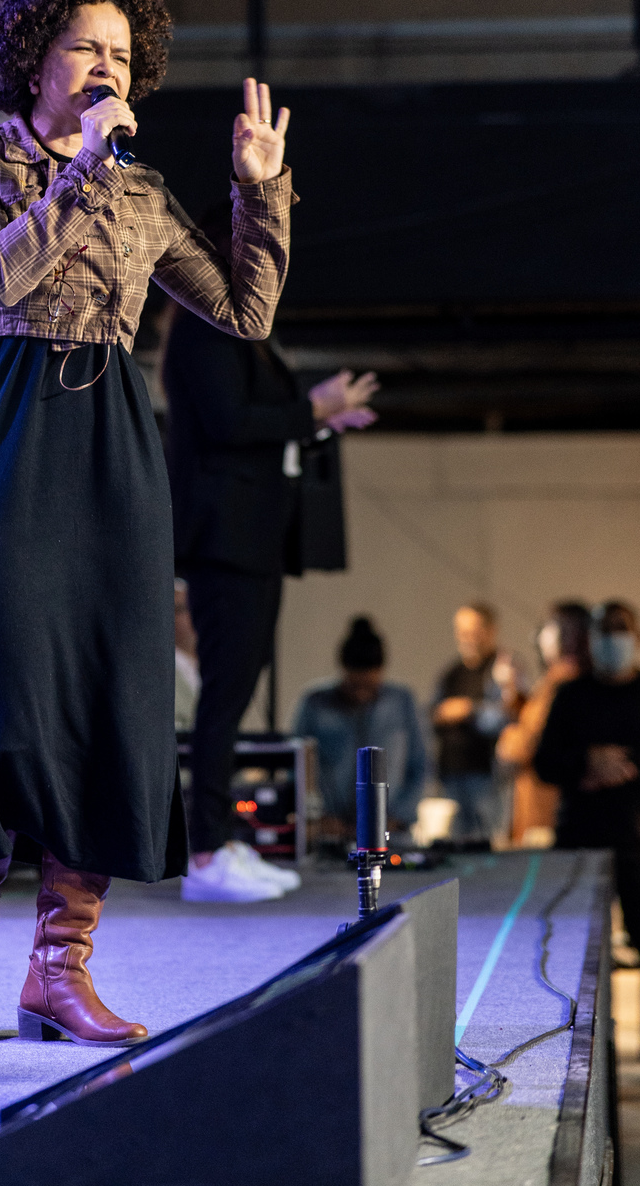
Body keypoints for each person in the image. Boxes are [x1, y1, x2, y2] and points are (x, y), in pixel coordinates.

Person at [0, 0, 296, 1044]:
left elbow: (246, 312)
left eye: (123, 55)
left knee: (107, 693)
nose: (106, 68)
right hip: (5, 426)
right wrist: (85, 167)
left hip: (113, 438)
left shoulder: (142, 191)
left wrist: (258, 189)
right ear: (34, 56)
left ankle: (60, 967)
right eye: (86, 46)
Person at [163, 249, 377, 903]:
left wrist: (317, 419)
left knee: (233, 691)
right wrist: (312, 410)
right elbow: (229, 422)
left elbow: (255, 423)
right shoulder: (204, 327)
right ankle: (206, 851)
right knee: (224, 697)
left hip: (251, 538)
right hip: (225, 538)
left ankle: (219, 842)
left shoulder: (238, 328)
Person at [535, 600, 640, 1100]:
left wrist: (630, 764)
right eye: (603, 631)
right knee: (569, 957)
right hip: (578, 844)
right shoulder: (571, 695)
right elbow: (544, 763)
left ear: (637, 636)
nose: (612, 640)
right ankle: (563, 1062)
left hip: (636, 841)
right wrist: (588, 761)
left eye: (620, 630)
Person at [292, 616, 427, 843]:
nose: (361, 694)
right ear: (343, 671)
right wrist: (317, 816)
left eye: (369, 686)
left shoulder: (401, 702)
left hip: (391, 836)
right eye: (354, 686)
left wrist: (398, 816)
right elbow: (296, 766)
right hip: (331, 836)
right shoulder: (315, 704)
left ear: (381, 672)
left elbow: (421, 765)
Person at [495, 602, 590, 846]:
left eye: (548, 628)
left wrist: (507, 739)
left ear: (568, 634)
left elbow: (528, 743)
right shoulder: (563, 680)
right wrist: (516, 695)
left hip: (545, 812)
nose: (539, 637)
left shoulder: (562, 682)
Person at [431, 602, 522, 843]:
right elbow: (432, 714)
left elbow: (512, 715)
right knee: (453, 845)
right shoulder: (451, 673)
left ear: (491, 630)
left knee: (487, 843)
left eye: (473, 631)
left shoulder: (503, 668)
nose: (467, 638)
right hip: (451, 775)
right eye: (462, 631)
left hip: (488, 777)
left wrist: (469, 710)